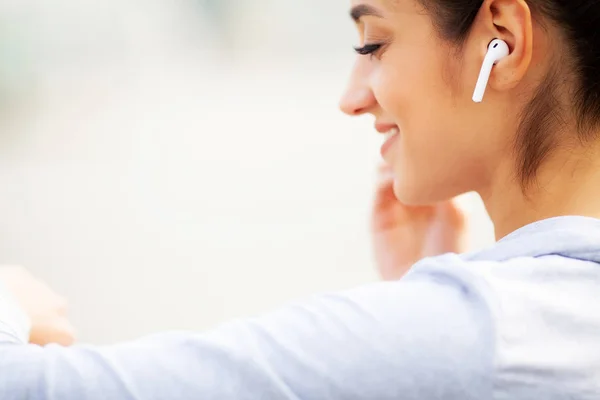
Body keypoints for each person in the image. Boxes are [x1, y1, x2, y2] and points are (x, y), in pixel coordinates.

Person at [2, 0, 600, 398]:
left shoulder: (485, 330)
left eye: (375, 45)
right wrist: (419, 308)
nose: (351, 97)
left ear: (503, 39)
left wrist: (11, 298)